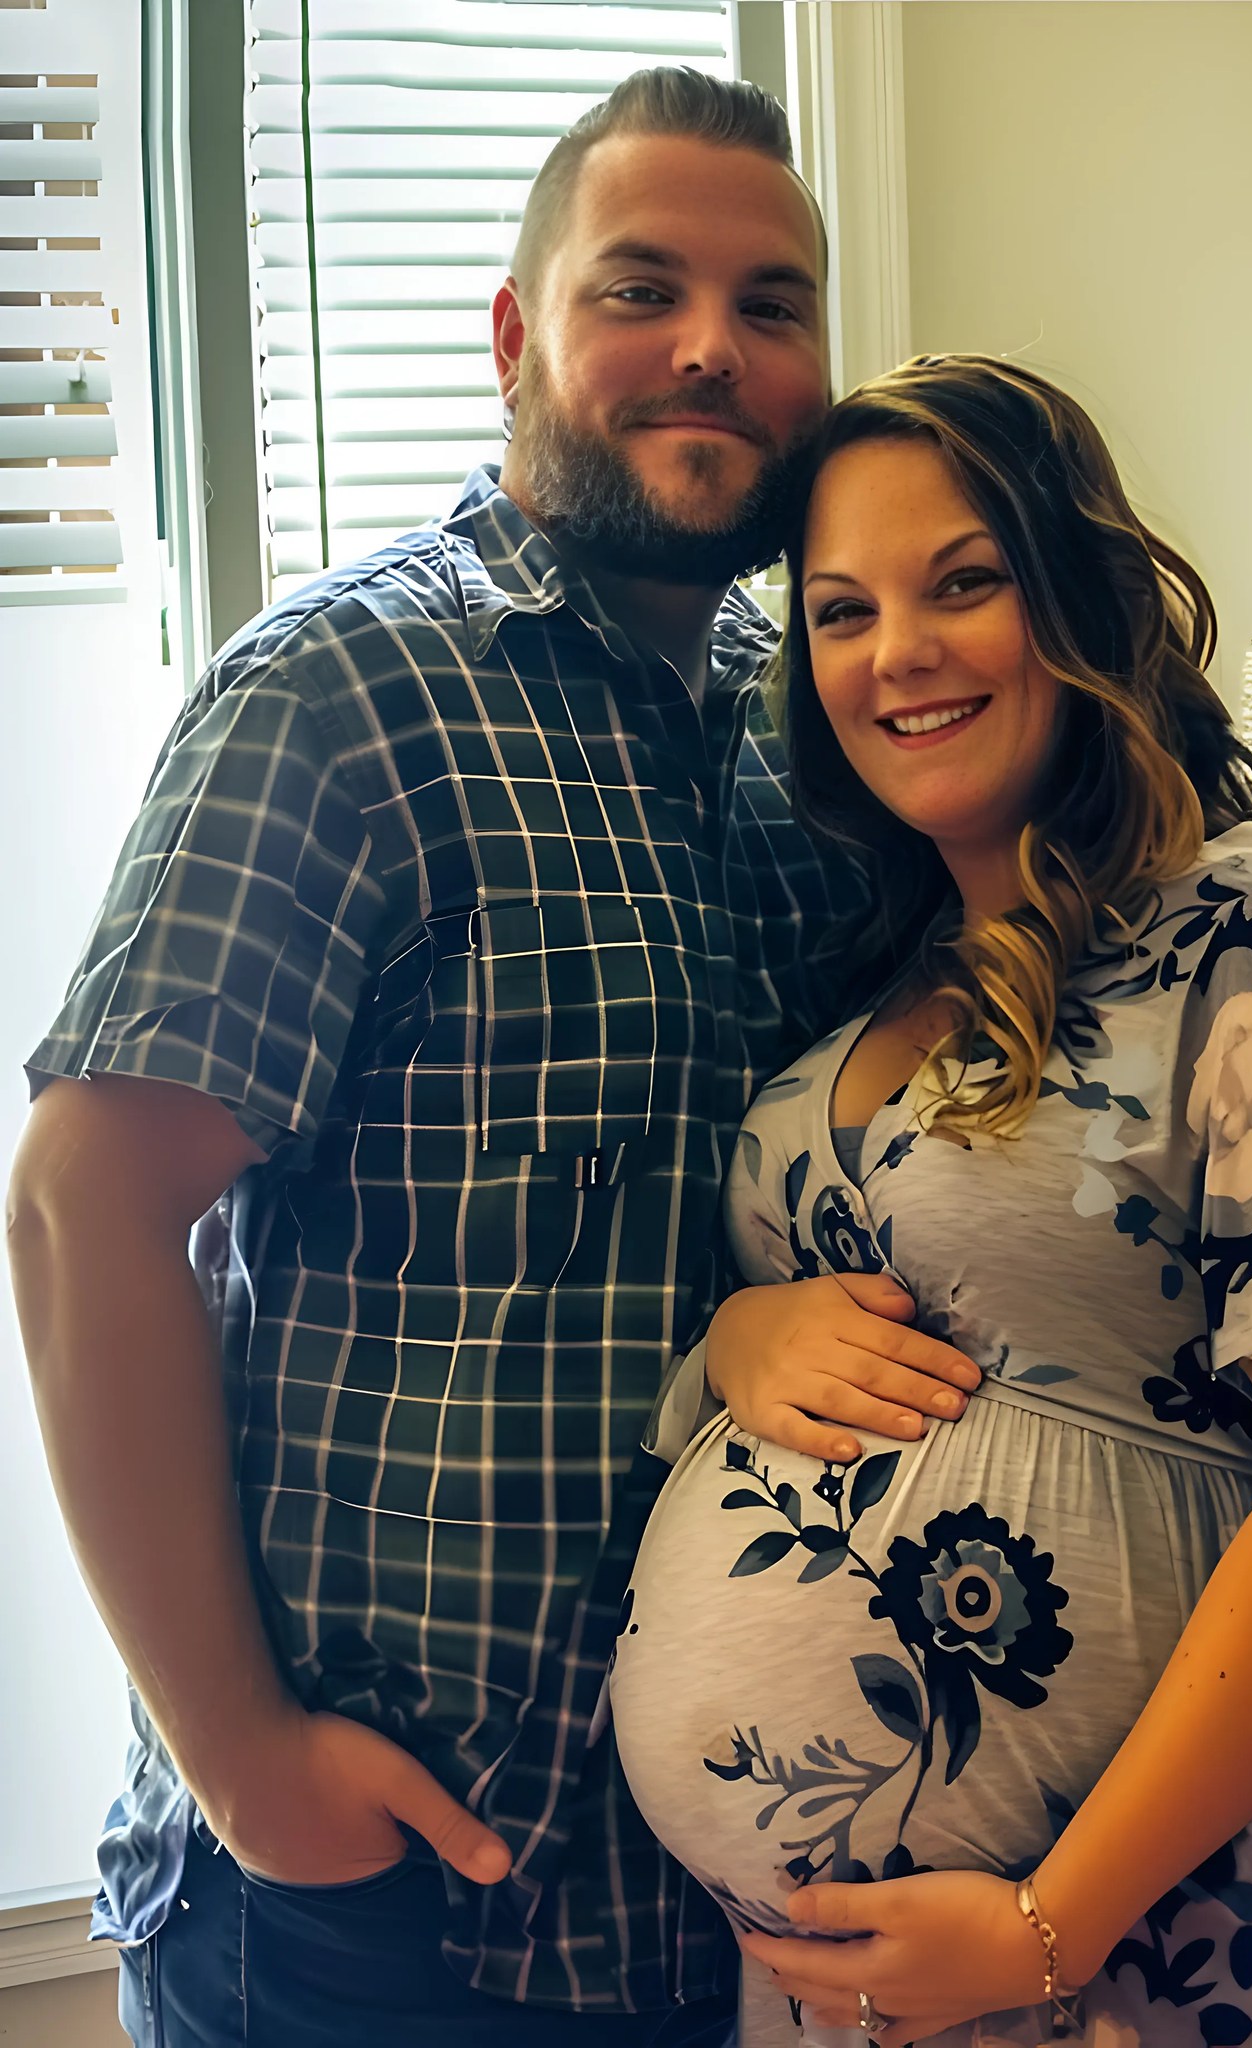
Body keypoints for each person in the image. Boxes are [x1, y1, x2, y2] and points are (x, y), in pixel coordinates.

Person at [6, 71, 978, 2048]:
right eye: (642, 288)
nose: (709, 346)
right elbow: (78, 1208)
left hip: (708, 1889)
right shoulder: (342, 695)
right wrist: (244, 1756)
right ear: (519, 334)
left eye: (771, 305)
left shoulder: (813, 742)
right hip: (378, 1907)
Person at [608, 354, 1252, 2048]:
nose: (896, 651)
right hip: (874, 1983)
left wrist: (1049, 1924)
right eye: (840, 611)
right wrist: (739, 1338)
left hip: (1209, 1938)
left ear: (1082, 602)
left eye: (963, 581)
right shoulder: (888, 973)